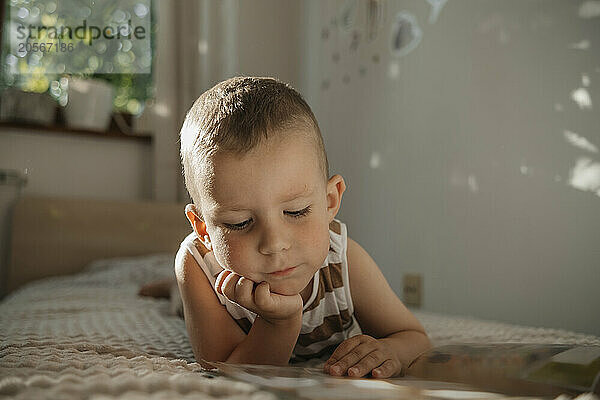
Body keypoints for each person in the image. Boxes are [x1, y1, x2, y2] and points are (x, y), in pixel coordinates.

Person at [166, 76, 430, 378]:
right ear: (204, 230)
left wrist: (391, 350)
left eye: (296, 211)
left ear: (330, 201)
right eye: (240, 223)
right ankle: (171, 289)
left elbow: (414, 337)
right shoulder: (197, 264)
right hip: (204, 288)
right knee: (178, 301)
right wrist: (279, 323)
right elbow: (227, 372)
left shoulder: (342, 261)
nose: (275, 243)